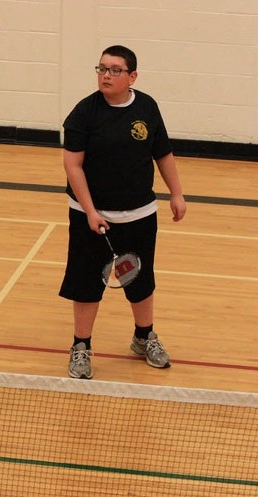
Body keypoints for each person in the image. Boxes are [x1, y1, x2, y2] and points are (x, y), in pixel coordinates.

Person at [60, 45, 187, 379]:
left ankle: (144, 338)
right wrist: (89, 211)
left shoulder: (147, 106)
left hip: (139, 215)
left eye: (115, 70)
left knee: (139, 278)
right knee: (87, 282)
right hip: (92, 217)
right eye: (102, 68)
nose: (106, 75)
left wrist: (176, 193)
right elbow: (73, 167)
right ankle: (81, 346)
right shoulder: (83, 114)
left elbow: (163, 152)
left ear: (132, 76)